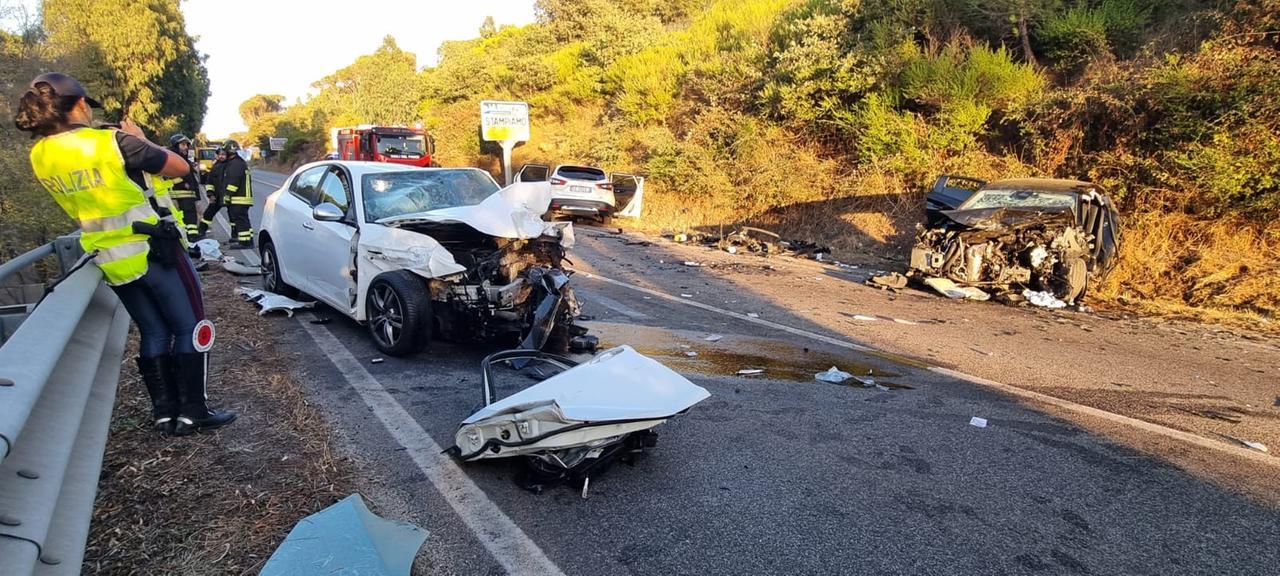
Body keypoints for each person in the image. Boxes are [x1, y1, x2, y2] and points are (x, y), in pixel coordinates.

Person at [14, 72, 237, 436]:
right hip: (153, 248)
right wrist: (142, 139)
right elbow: (180, 168)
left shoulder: (41, 155)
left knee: (152, 331)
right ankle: (194, 410)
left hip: (109, 256)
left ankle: (164, 414)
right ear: (81, 104)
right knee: (190, 325)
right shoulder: (109, 142)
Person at [158, 133, 202, 239]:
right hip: (179, 194)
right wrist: (183, 182)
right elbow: (169, 176)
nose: (186, 147)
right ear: (175, 145)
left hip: (187, 195)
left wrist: (197, 196)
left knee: (190, 217)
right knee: (186, 217)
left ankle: (191, 236)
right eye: (183, 145)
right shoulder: (172, 158)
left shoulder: (183, 159)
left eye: (186, 145)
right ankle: (189, 236)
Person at [218, 140, 254, 248]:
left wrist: (227, 195)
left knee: (240, 220)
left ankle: (245, 243)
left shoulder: (235, 164)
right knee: (243, 219)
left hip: (239, 198)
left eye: (225, 151)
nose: (223, 154)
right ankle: (248, 239)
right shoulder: (238, 162)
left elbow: (233, 182)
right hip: (242, 198)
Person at [196, 147, 227, 240]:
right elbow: (210, 181)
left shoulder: (230, 165)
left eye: (223, 154)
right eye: (219, 154)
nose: (221, 156)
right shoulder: (216, 166)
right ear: (216, 155)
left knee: (233, 216)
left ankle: (235, 235)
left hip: (227, 195)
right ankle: (201, 231)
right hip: (217, 195)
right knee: (208, 213)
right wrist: (210, 194)